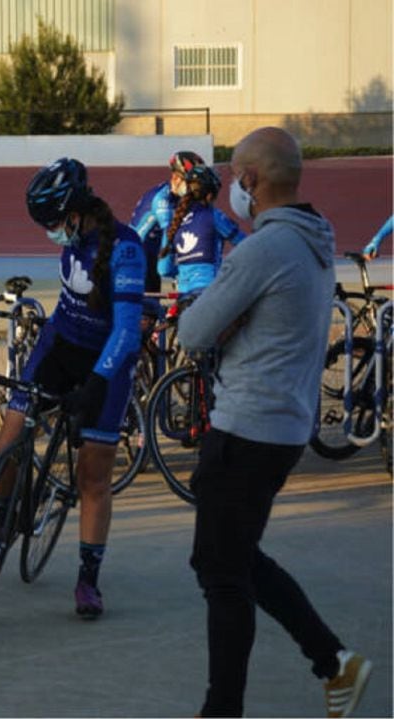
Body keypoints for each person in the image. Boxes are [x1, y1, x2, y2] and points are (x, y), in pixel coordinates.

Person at [177, 126, 372, 718]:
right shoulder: (315, 239)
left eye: (235, 174)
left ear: (252, 181)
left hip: (245, 427)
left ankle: (224, 708)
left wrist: (223, 323)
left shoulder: (263, 249)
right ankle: (334, 662)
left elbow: (192, 332)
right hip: (284, 426)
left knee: (222, 572)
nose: (231, 187)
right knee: (233, 557)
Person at [0, 158, 145, 619]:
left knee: (93, 478)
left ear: (76, 212)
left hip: (106, 360)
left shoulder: (125, 250)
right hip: (59, 345)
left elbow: (126, 331)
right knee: (13, 427)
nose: (49, 233)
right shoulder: (74, 234)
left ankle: (88, 579)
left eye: (52, 224)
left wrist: (97, 384)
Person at [156, 164, 246, 298]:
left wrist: (183, 273)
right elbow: (245, 244)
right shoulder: (215, 215)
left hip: (181, 294)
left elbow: (164, 270)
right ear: (210, 195)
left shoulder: (174, 221)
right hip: (208, 292)